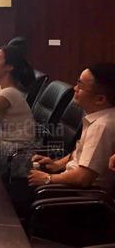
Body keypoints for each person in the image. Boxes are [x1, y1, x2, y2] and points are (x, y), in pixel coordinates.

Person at [28, 63, 115, 192]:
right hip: (70, 181)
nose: (75, 88)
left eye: (80, 86)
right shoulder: (99, 117)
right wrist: (57, 164)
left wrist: (48, 178)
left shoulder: (101, 127)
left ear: (100, 99)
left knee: (17, 187)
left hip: (80, 194)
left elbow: (83, 178)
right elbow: (80, 152)